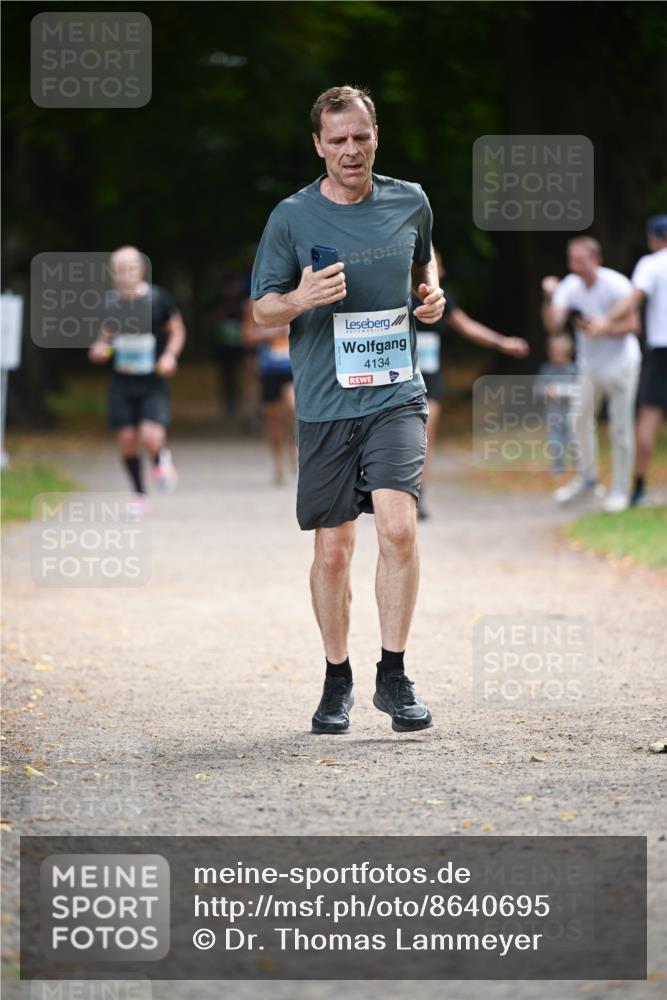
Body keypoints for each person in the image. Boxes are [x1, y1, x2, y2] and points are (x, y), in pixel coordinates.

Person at [251, 85, 445, 735]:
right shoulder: (291, 217)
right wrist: (300, 298)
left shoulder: (409, 200)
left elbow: (425, 262)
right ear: (318, 145)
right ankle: (337, 678)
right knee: (333, 551)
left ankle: (394, 675)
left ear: (375, 136)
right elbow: (261, 309)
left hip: (395, 392)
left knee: (398, 528)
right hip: (326, 402)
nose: (351, 150)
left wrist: (432, 294)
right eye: (337, 140)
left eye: (360, 136)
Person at [414, 248, 529, 518]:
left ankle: (420, 494)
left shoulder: (442, 299)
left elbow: (467, 327)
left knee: (425, 434)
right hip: (398, 377)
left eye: (440, 266)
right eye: (435, 266)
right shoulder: (395, 294)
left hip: (429, 377)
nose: (440, 271)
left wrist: (503, 343)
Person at [541, 237, 641, 512]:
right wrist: (549, 295)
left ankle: (620, 489)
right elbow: (553, 324)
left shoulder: (617, 284)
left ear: (596, 259)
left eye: (581, 260)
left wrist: (604, 328)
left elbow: (633, 324)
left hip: (621, 364)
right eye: (572, 260)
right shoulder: (570, 286)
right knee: (578, 420)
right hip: (589, 366)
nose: (575, 266)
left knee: (621, 427)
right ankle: (587, 480)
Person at [88, 246, 185, 513]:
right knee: (128, 439)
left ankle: (160, 459)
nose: (125, 275)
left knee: (150, 436)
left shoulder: (158, 299)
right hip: (121, 381)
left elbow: (177, 330)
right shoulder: (110, 303)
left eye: (129, 269)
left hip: (152, 379)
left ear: (140, 269)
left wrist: (170, 356)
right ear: (113, 273)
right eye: (119, 271)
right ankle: (139, 496)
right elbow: (105, 337)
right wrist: (99, 349)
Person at [587, 215, 667, 506]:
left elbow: (635, 297)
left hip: (661, 350)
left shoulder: (651, 264)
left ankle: (639, 487)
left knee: (648, 417)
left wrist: (605, 320)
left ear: (654, 238)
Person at [242, 299, 296, 484]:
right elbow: (247, 336)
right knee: (273, 419)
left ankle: (293, 450)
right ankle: (278, 464)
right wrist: (271, 335)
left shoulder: (296, 297)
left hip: (291, 367)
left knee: (292, 408)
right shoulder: (253, 303)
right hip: (269, 369)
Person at [533, 333, 579, 483]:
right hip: (553, 416)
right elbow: (537, 389)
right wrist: (546, 390)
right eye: (555, 354)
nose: (558, 357)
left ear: (568, 353)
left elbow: (581, 389)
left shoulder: (574, 370)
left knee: (574, 443)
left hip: (571, 416)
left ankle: (579, 471)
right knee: (555, 444)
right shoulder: (546, 370)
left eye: (561, 354)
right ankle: (558, 470)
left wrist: (567, 390)